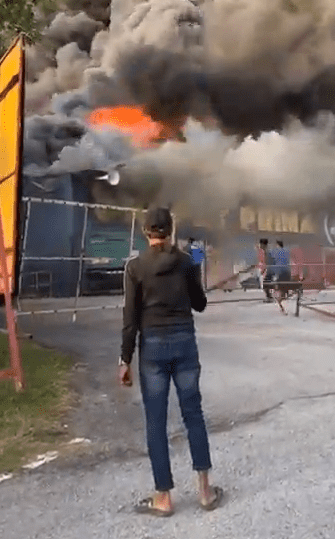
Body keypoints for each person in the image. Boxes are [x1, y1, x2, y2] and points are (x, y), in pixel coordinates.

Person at [119, 206, 223, 517]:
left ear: (146, 232)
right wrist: (195, 284)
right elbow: (200, 305)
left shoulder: (135, 268)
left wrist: (124, 358)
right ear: (171, 230)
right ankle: (205, 492)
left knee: (155, 421)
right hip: (184, 343)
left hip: (152, 348)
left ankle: (163, 497)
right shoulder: (187, 262)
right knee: (194, 414)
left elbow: (130, 318)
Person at [271, 240, 292, 314]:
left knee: (277, 291)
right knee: (283, 291)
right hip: (287, 273)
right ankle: (283, 301)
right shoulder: (287, 251)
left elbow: (273, 264)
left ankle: (281, 305)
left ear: (277, 245)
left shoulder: (274, 252)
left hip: (279, 273)